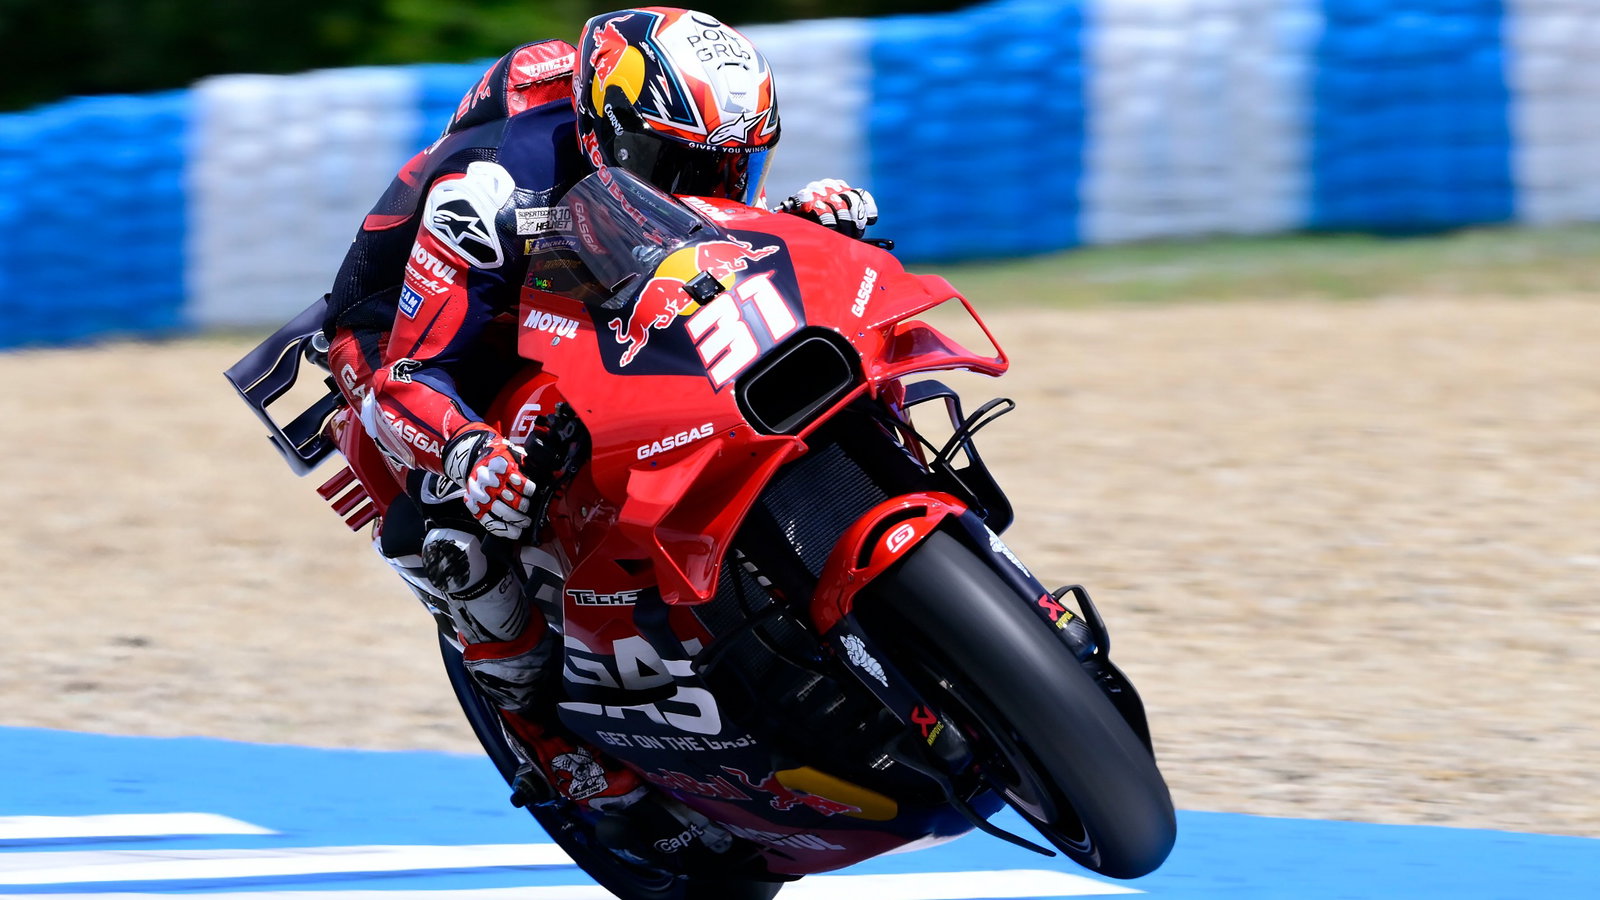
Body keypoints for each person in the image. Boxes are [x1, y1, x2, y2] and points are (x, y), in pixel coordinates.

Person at [320, 7, 878, 870]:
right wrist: (470, 451)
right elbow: (407, 376)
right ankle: (559, 749)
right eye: (682, 168)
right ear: (601, 133)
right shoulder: (495, 189)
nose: (710, 187)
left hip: (586, 261)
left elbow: (706, 219)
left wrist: (795, 220)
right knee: (456, 537)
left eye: (733, 168)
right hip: (429, 331)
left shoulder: (657, 139)